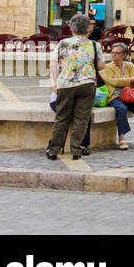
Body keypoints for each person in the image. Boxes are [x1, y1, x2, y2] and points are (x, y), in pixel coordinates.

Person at [47, 12, 102, 160]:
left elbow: (52, 64)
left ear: (71, 27)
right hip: (87, 84)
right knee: (81, 119)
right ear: (88, 29)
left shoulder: (63, 43)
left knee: (61, 118)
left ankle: (53, 150)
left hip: (65, 84)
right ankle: (76, 150)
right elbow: (101, 66)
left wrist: (53, 83)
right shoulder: (95, 45)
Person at [100, 42, 134, 149]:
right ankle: (121, 139)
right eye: (112, 52)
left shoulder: (130, 65)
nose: (113, 55)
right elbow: (114, 82)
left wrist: (124, 81)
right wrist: (129, 80)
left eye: (117, 53)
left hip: (130, 96)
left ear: (124, 55)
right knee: (122, 109)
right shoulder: (106, 67)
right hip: (115, 96)